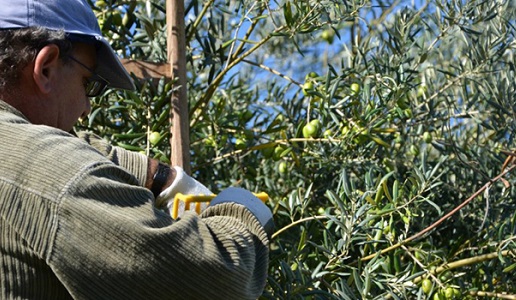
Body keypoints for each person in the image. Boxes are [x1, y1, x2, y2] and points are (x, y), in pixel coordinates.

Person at [0, 0, 273, 299]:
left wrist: (162, 177)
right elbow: (222, 275)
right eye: (88, 84)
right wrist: (244, 210)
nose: (86, 109)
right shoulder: (55, 176)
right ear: (47, 68)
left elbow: (73, 141)